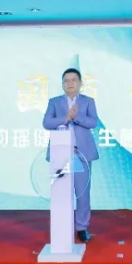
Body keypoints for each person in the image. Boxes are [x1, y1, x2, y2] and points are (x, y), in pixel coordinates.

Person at [42, 68, 100, 242]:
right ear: (62, 84)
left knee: (82, 192)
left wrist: (76, 118)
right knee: (61, 192)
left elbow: (93, 122)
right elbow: (47, 122)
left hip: (82, 153)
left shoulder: (88, 101)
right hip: (61, 154)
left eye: (74, 80)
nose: (70, 83)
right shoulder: (54, 102)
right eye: (66, 80)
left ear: (80, 83)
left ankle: (82, 227)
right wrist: (66, 117)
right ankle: (62, 225)